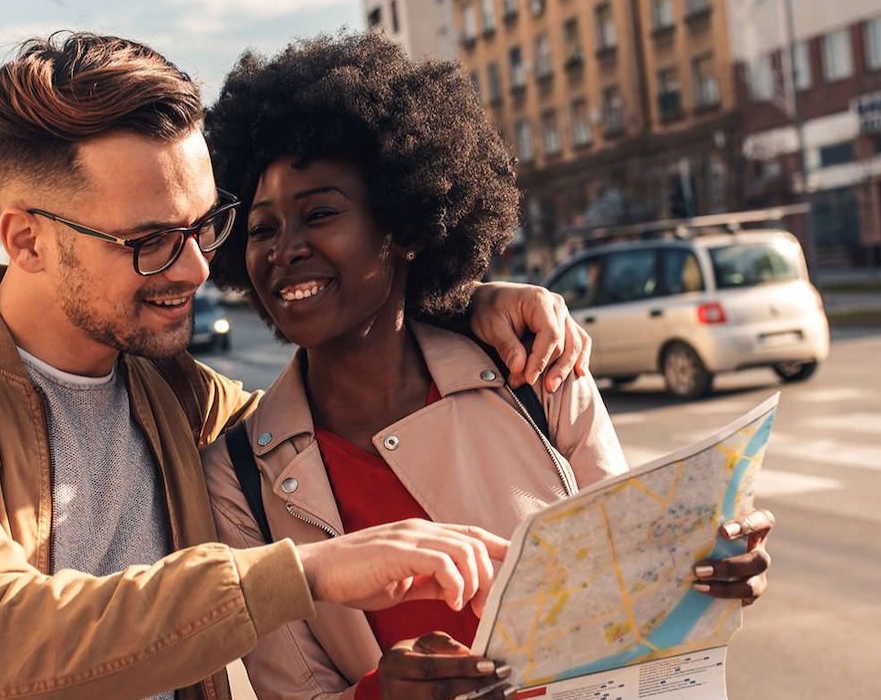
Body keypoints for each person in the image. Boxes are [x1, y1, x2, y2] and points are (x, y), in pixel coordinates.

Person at [0, 32, 597, 700]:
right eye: (147, 241)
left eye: (204, 226)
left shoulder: (179, 397)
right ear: (26, 240)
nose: (191, 270)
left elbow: (345, 361)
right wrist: (306, 573)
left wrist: (460, 296)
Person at [201, 34, 775, 700]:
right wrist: (381, 695)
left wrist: (712, 574)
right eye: (263, 229)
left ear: (406, 229)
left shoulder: (534, 370)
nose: (285, 249)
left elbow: (635, 587)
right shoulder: (240, 473)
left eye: (320, 214)